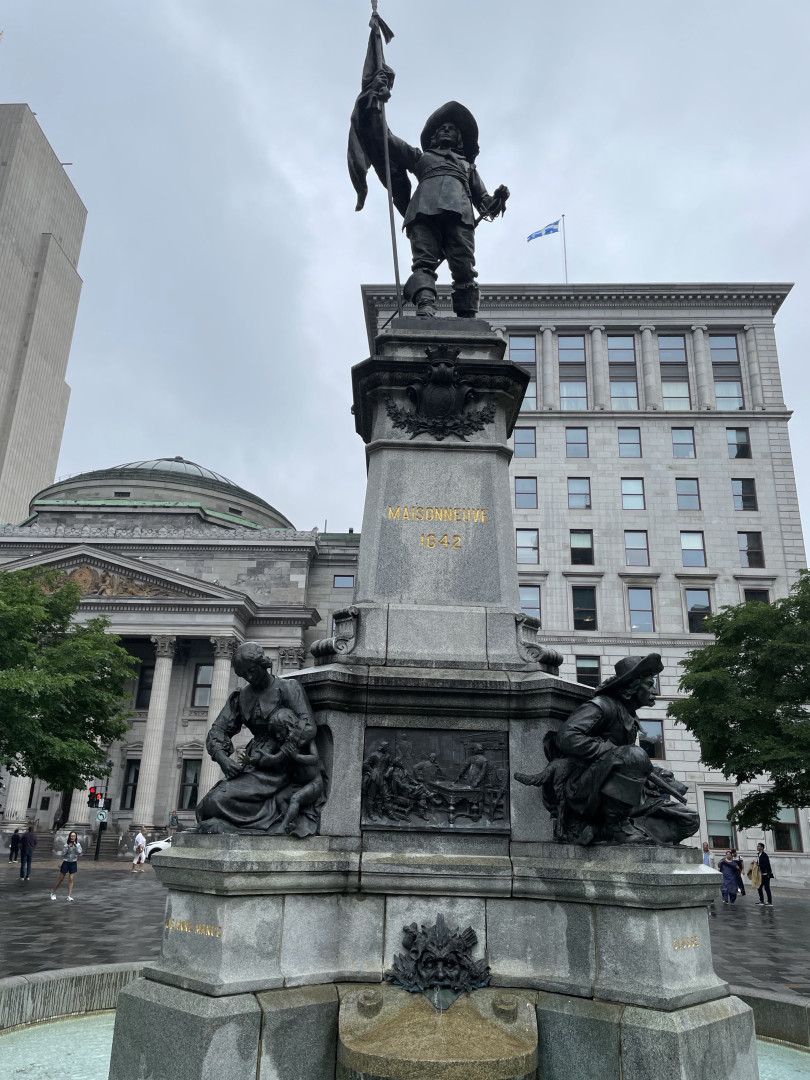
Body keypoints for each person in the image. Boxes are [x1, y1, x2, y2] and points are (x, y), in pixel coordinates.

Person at [515, 654, 699, 845]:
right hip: (585, 787)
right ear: (632, 686)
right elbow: (566, 736)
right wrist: (611, 751)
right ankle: (615, 828)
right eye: (649, 684)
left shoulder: (628, 714)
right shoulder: (602, 706)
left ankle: (604, 830)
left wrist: (657, 775)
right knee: (634, 755)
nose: (654, 691)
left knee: (689, 820)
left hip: (621, 793)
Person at [195, 643, 325, 836]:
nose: (249, 677)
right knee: (205, 806)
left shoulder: (288, 688)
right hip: (255, 765)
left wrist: (281, 754)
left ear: (262, 664)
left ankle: (256, 823)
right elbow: (218, 730)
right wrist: (223, 759)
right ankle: (241, 824)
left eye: (252, 671)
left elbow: (307, 725)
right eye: (243, 674)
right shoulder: (241, 696)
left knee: (214, 803)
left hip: (283, 769)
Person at [51, 831, 82, 901]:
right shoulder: (66, 845)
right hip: (66, 862)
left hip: (73, 862)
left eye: (74, 836)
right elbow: (63, 854)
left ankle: (69, 895)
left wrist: (76, 845)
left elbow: (80, 852)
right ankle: (53, 893)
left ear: (76, 837)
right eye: (71, 836)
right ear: (69, 837)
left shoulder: (78, 844)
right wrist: (68, 847)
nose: (73, 837)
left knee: (71, 879)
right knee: (61, 879)